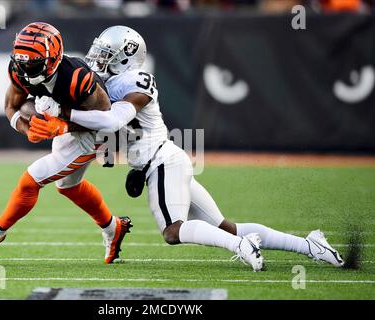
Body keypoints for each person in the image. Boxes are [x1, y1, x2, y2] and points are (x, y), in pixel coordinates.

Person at [32, 26, 345, 271]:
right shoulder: (101, 83)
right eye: (99, 52)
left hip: (162, 162)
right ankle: (310, 245)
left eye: (106, 54)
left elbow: (114, 120)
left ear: (125, 58)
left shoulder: (134, 81)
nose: (98, 59)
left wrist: (62, 113)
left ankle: (240, 247)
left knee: (173, 231)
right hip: (163, 161)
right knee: (225, 226)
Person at [0, 22, 132, 264]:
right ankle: (112, 227)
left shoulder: (77, 78)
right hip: (64, 127)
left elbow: (107, 122)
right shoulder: (19, 69)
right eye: (22, 63)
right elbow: (11, 107)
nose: (25, 70)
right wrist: (27, 129)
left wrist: (64, 123)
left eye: (32, 64)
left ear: (52, 59)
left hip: (92, 134)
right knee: (68, 186)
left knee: (30, 181)